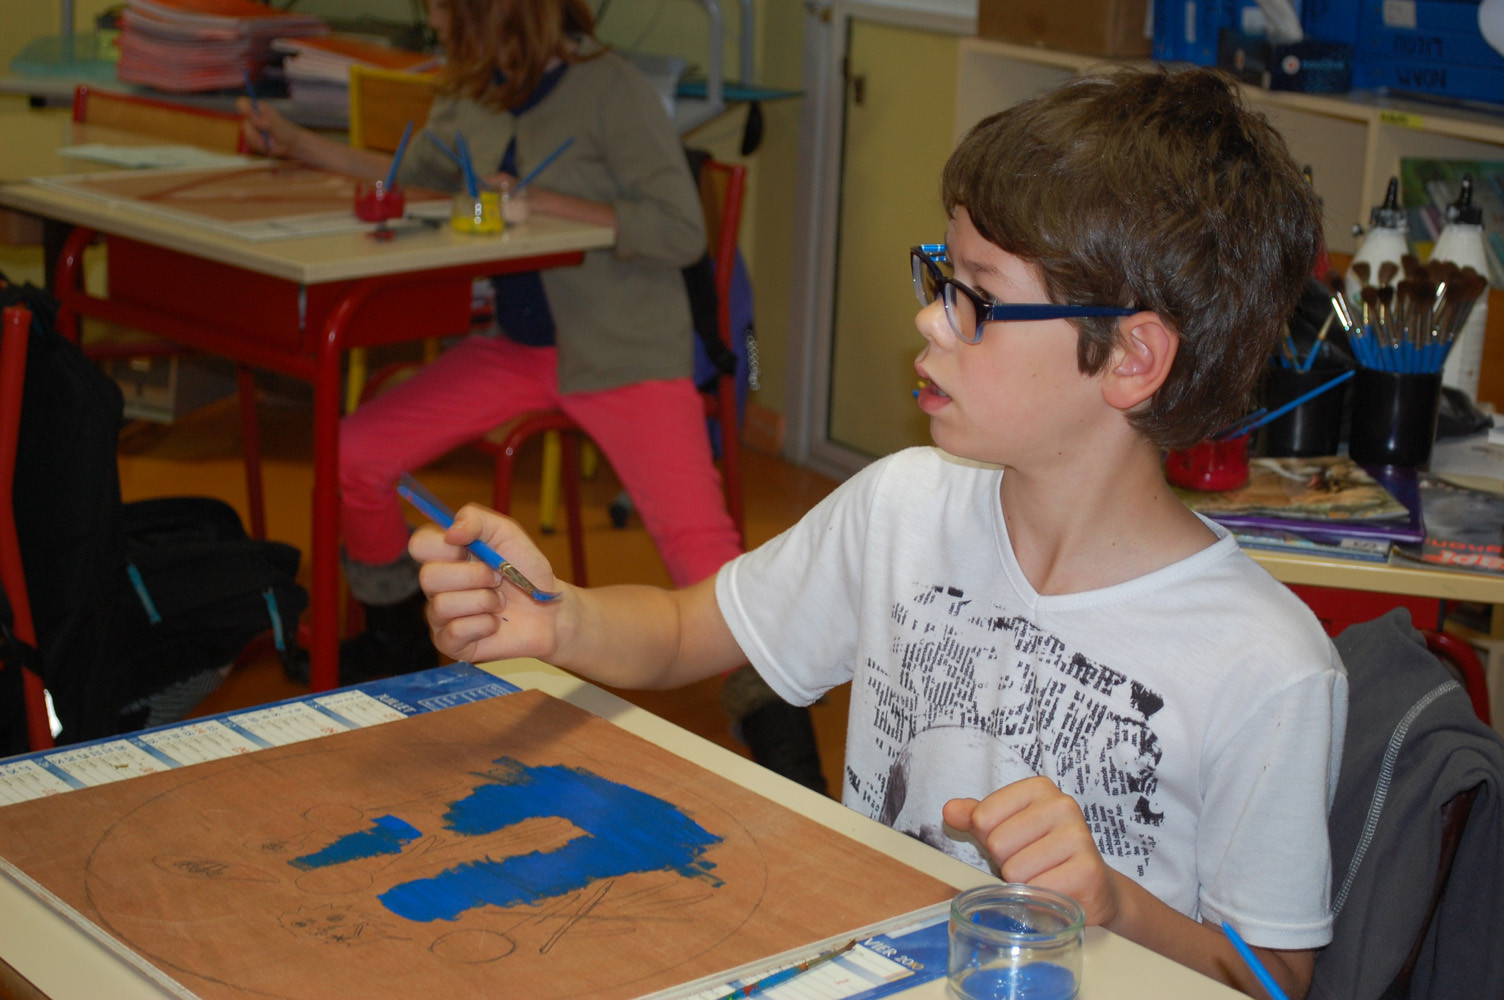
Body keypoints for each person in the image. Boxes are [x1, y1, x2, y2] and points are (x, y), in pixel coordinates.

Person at [409, 65, 1349, 998]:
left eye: (974, 298)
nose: (929, 319)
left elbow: (1273, 979)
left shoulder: (1265, 664)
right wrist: (557, 619)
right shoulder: (905, 506)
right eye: (940, 275)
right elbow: (692, 629)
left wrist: (1114, 904)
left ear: (1132, 358)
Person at [238, 0, 826, 791]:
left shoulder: (608, 87)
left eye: (447, 12)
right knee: (358, 451)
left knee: (707, 562)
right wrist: (302, 146)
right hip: (521, 350)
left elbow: (680, 229)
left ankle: (798, 777)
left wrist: (554, 205)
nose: (437, 27)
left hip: (624, 353)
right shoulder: (477, 88)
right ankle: (405, 662)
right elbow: (415, 180)